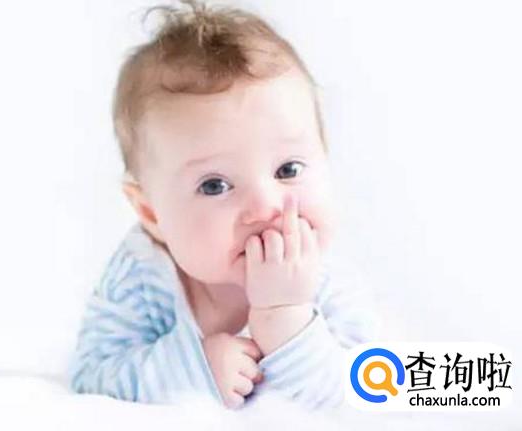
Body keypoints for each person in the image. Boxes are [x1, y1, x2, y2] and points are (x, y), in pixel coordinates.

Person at [67, 0, 378, 410]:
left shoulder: (323, 279)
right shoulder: (142, 276)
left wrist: (286, 317)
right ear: (151, 214)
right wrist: (195, 368)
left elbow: (365, 391)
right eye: (214, 185)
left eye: (288, 169)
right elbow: (91, 376)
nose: (265, 206)